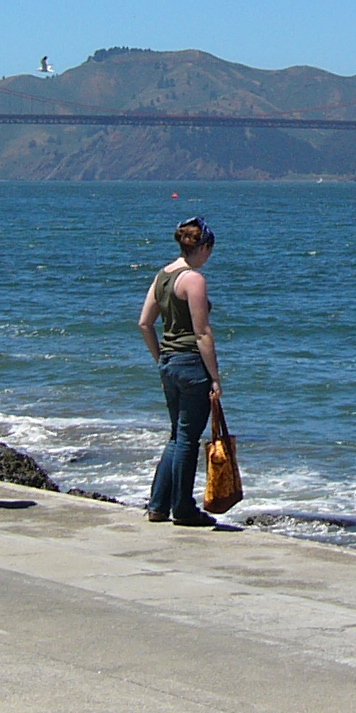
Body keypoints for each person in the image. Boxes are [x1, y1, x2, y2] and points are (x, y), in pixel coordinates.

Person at [138, 215, 224, 528]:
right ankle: (183, 508)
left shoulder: (163, 276)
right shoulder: (193, 280)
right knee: (188, 439)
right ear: (203, 248)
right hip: (190, 363)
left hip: (169, 362)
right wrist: (215, 378)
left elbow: (145, 323)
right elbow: (202, 333)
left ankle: (158, 505)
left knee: (177, 436)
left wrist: (161, 358)